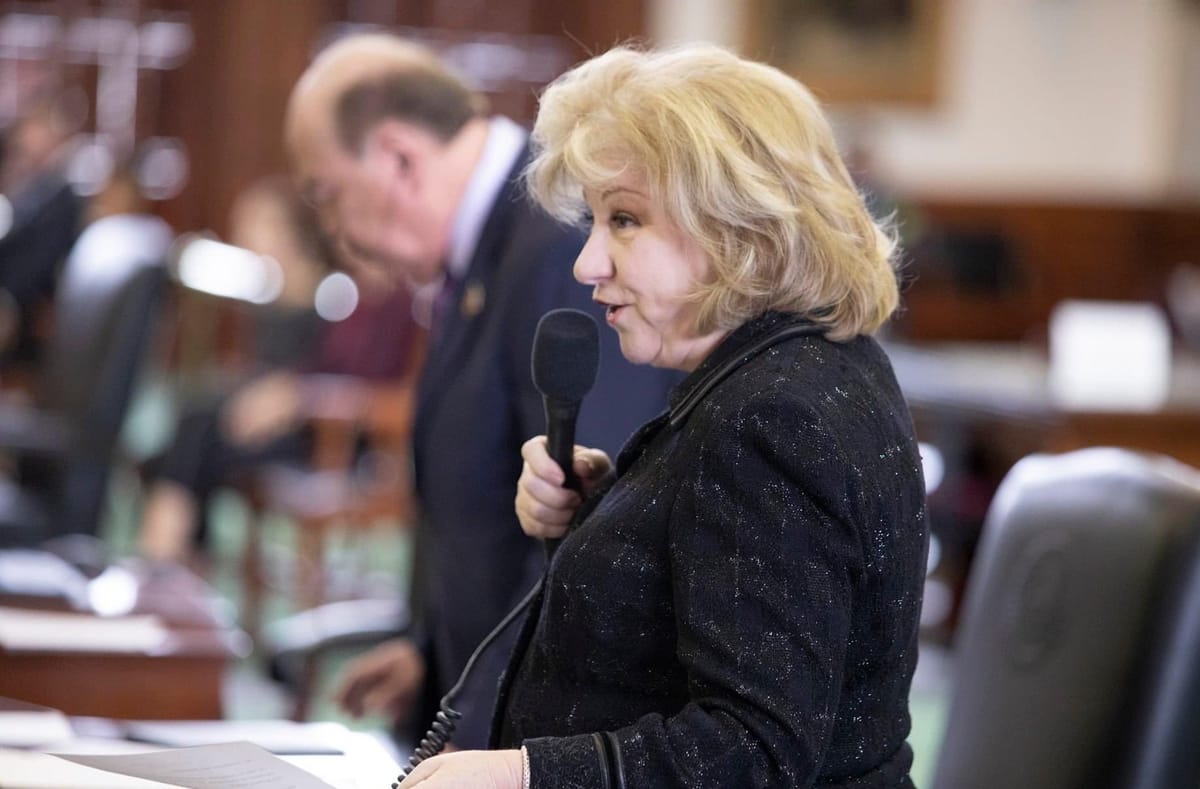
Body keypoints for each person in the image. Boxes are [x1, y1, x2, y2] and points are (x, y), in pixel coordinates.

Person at [399, 43, 929, 788]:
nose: (587, 264)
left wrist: (524, 776)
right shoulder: (810, 367)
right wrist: (613, 514)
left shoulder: (771, 417)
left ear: (738, 225)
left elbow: (754, 751)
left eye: (624, 220)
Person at [284, 33, 679, 750]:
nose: (336, 231)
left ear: (398, 157)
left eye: (328, 195)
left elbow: (590, 527)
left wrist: (473, 723)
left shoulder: (558, 238)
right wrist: (433, 652)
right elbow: (483, 494)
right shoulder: (488, 244)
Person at [138, 176, 425, 563]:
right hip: (302, 419)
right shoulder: (351, 295)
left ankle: (169, 555)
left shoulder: (399, 306)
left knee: (198, 435)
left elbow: (375, 388)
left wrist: (299, 396)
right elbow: (313, 366)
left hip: (338, 437)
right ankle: (177, 555)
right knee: (196, 421)